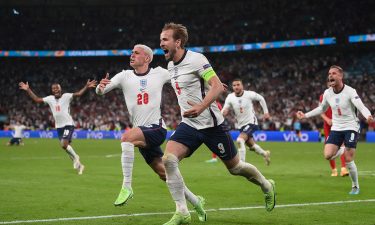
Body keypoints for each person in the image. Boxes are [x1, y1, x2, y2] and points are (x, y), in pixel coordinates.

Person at [160, 22, 275, 225]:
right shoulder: (170, 66)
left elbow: (217, 86)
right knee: (169, 160)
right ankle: (182, 211)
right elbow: (205, 85)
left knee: (236, 168)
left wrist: (202, 106)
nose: (161, 43)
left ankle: (266, 186)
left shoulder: (196, 59)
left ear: (178, 42)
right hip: (189, 124)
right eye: (161, 39)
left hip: (212, 125)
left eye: (165, 39)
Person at [95, 44, 206, 220]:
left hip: (156, 128)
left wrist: (206, 80)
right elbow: (101, 91)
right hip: (143, 132)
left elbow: (182, 77)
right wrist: (100, 87)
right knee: (165, 174)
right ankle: (196, 202)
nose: (132, 55)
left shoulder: (160, 73)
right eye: (131, 52)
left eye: (136, 53)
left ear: (147, 58)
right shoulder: (124, 76)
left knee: (126, 138)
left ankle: (127, 186)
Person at [297, 65, 373, 195]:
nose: (330, 75)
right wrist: (305, 115)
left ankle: (355, 186)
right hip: (336, 127)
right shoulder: (327, 93)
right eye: (329, 73)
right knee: (327, 155)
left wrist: (368, 116)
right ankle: (344, 148)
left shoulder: (350, 91)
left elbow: (361, 106)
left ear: (341, 76)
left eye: (333, 73)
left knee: (349, 159)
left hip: (351, 126)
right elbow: (321, 109)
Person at [19, 79, 97, 175]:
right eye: (53, 88)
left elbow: (79, 94)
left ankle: (76, 157)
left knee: (64, 145)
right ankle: (80, 166)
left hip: (68, 124)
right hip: (59, 127)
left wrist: (86, 86)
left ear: (60, 89)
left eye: (57, 88)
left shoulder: (66, 96)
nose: (55, 89)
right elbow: (37, 99)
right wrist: (28, 89)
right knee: (66, 147)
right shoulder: (50, 98)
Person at [222, 78, 271, 164]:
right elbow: (224, 110)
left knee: (240, 140)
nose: (236, 87)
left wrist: (266, 112)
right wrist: (222, 114)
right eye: (234, 85)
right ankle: (265, 153)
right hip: (241, 125)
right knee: (251, 145)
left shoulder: (249, 94)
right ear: (232, 87)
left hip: (251, 122)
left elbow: (261, 98)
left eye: (238, 85)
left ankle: (242, 164)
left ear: (242, 86)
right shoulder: (230, 97)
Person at [319, 80, 348, 177]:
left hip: (339, 125)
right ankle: (334, 170)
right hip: (328, 126)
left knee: (343, 145)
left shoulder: (342, 95)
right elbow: (321, 111)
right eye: (329, 83)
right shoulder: (324, 96)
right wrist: (327, 119)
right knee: (330, 148)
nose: (331, 84)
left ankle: (343, 169)